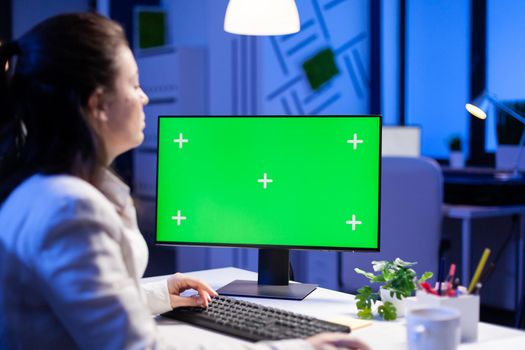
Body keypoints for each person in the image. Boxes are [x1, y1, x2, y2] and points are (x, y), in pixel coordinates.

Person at [0, 12, 371, 350]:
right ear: (98, 104)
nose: (145, 98)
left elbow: (78, 302)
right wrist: (297, 348)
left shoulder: (39, 192)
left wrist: (159, 294)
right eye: (133, 84)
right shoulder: (71, 208)